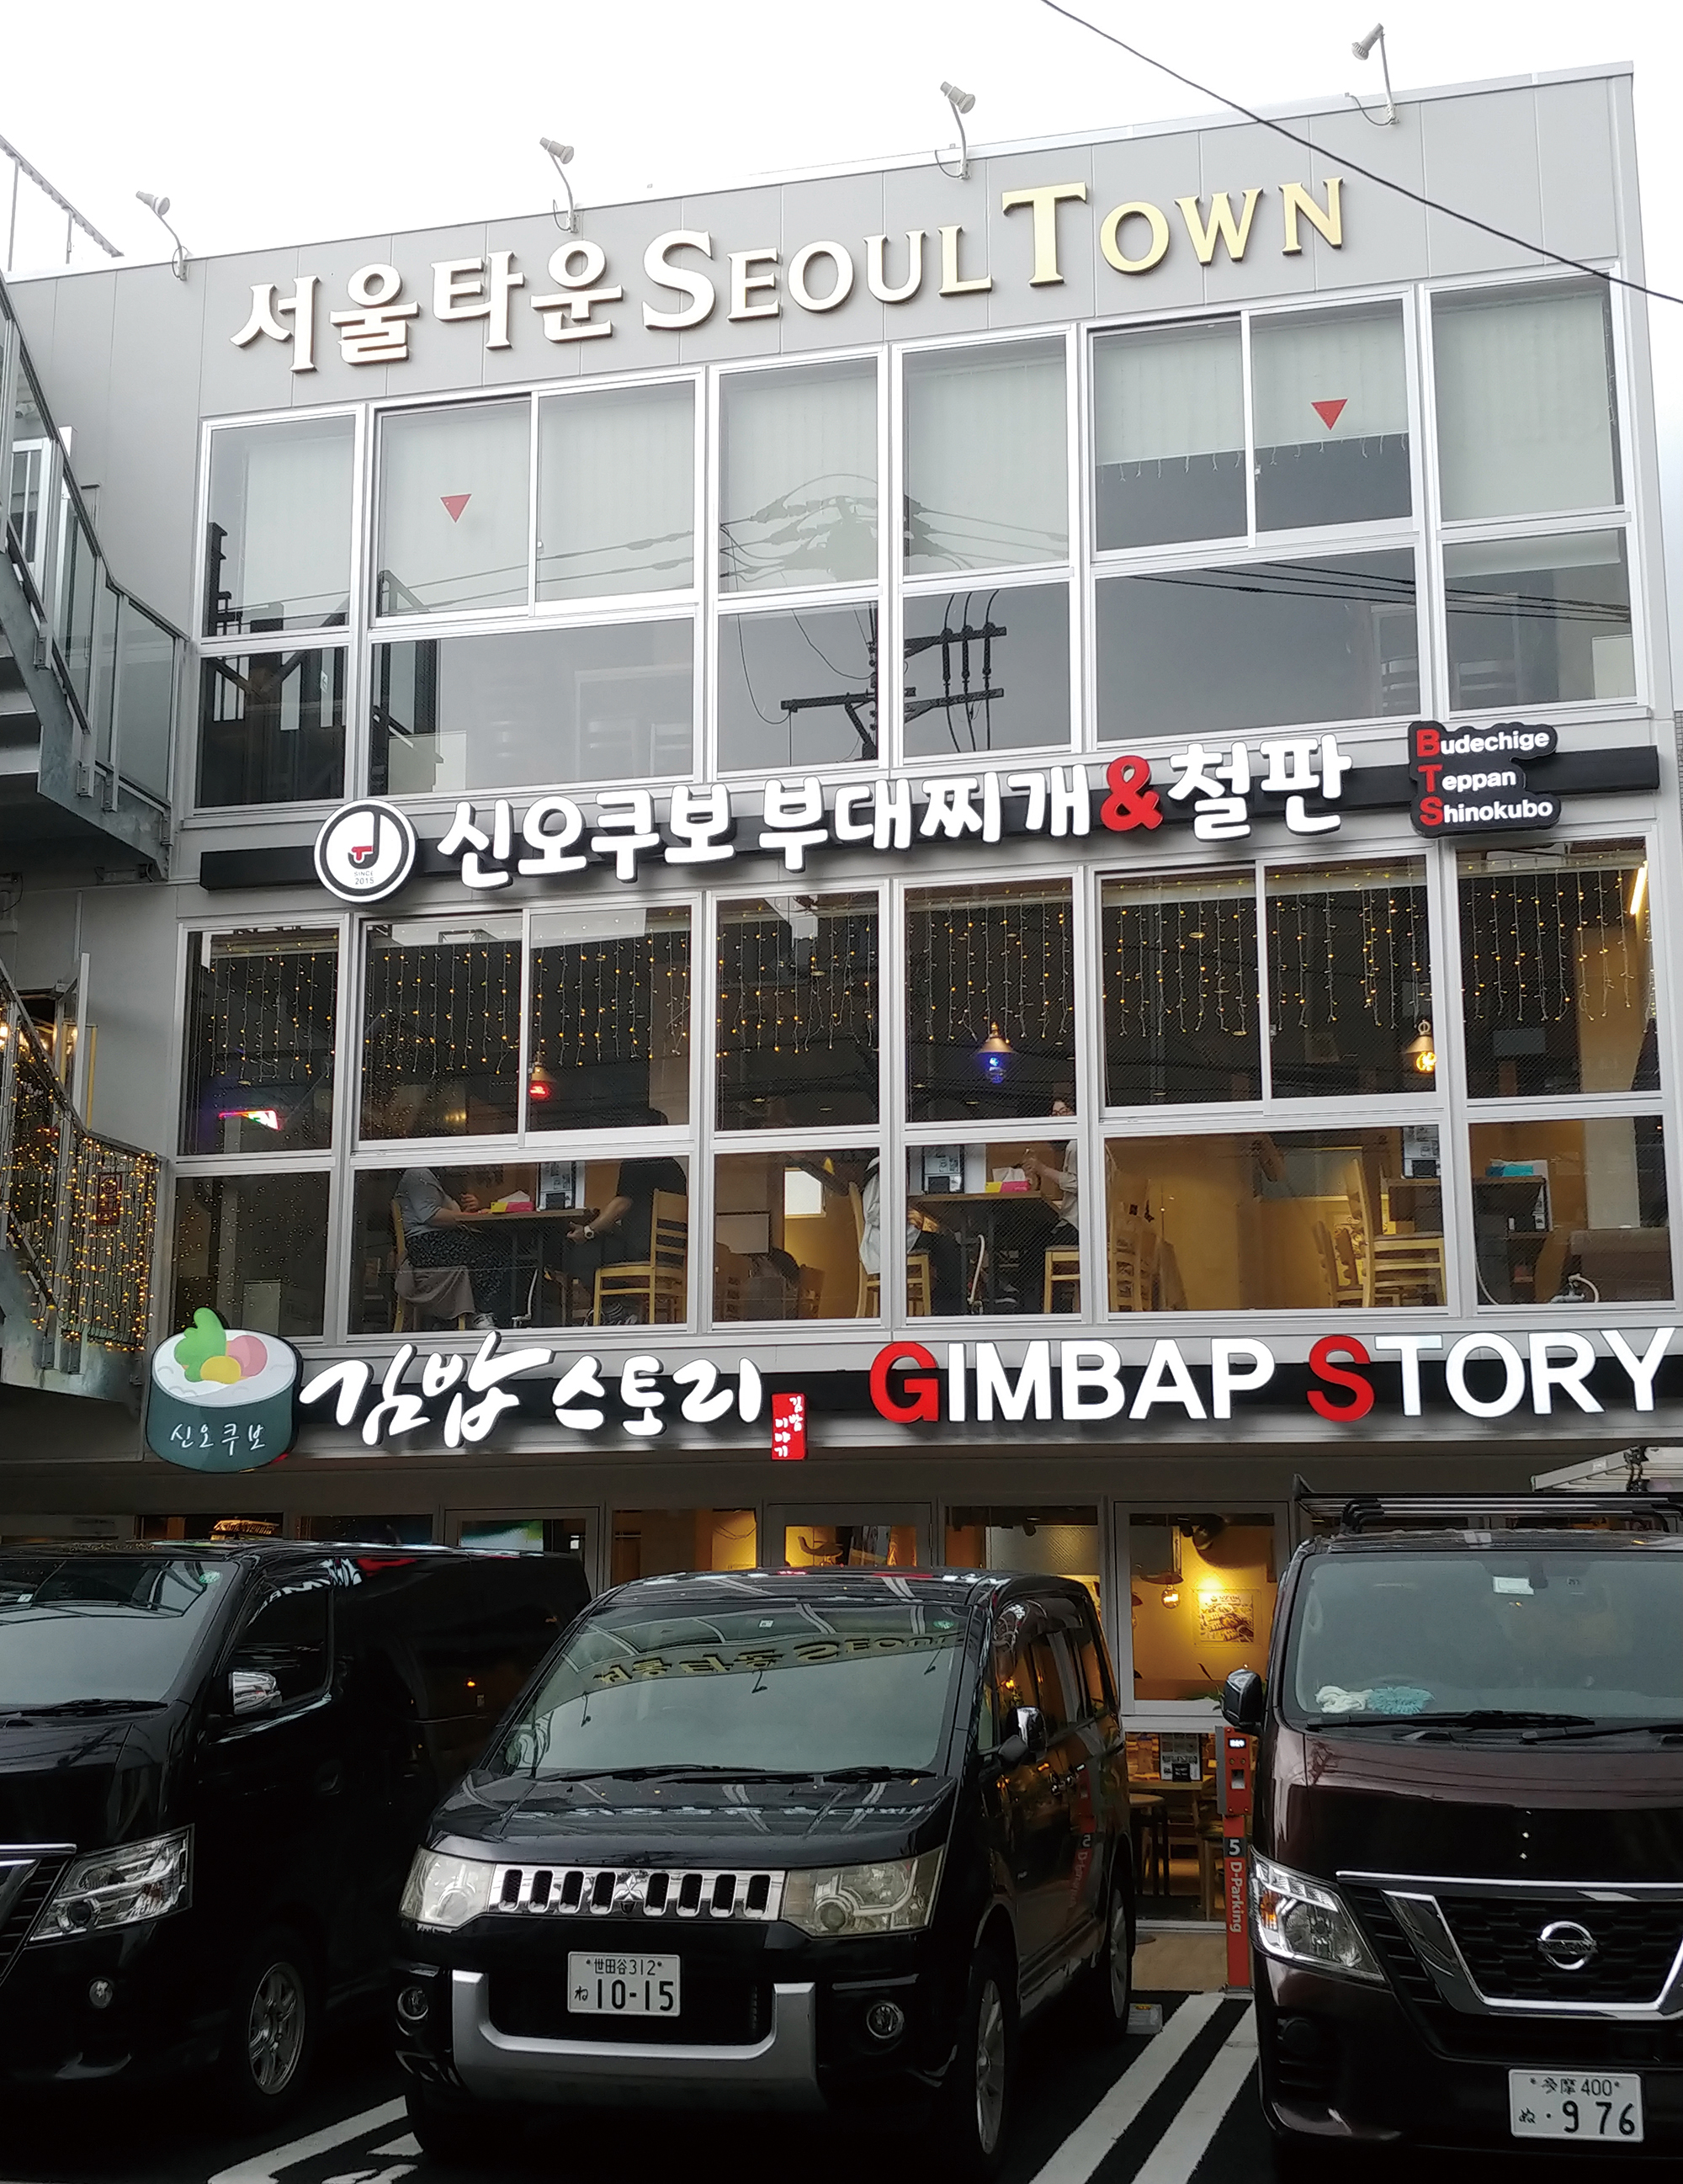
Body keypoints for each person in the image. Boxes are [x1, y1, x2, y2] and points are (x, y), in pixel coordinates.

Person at [560, 1112, 688, 1324]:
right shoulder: (674, 1168)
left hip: (641, 1250)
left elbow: (622, 1204)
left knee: (584, 1248)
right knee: (602, 1242)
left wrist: (589, 1230)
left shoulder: (638, 1160)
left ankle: (613, 1308)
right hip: (670, 1254)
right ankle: (623, 1307)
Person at [391, 1166, 512, 1330]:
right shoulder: (418, 1174)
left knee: (497, 1244)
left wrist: (470, 1210)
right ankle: (481, 1313)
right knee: (494, 1251)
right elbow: (432, 1216)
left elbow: (450, 1215)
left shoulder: (437, 1181)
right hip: (426, 1244)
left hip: (436, 1241)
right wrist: (471, 1216)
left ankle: (486, 1313)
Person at [1021, 1089, 1079, 1314]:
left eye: (1064, 1111)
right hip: (1082, 1225)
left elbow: (1078, 1184)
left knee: (1036, 1251)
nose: (1058, 1118)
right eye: (1054, 1114)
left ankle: (1037, 1311)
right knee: (1039, 1238)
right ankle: (1048, 1307)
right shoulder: (1077, 1144)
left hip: (1079, 1229)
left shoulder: (1077, 1144)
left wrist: (1042, 1169)